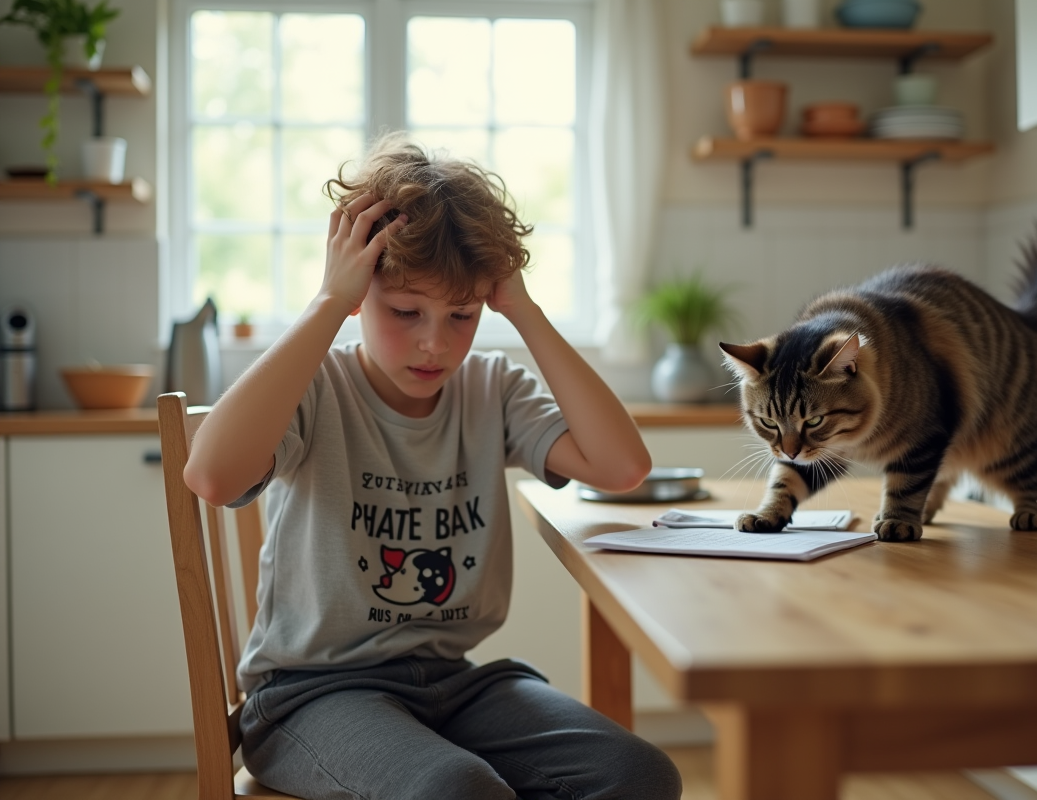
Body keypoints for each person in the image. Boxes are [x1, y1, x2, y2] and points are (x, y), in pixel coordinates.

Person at [183, 134, 680, 800]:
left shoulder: (491, 389)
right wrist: (329, 301)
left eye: (462, 315)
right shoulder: (316, 386)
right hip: (312, 696)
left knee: (642, 776)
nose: (434, 342)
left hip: (456, 683)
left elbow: (621, 467)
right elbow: (211, 477)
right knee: (457, 790)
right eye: (405, 311)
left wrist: (522, 309)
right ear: (361, 291)